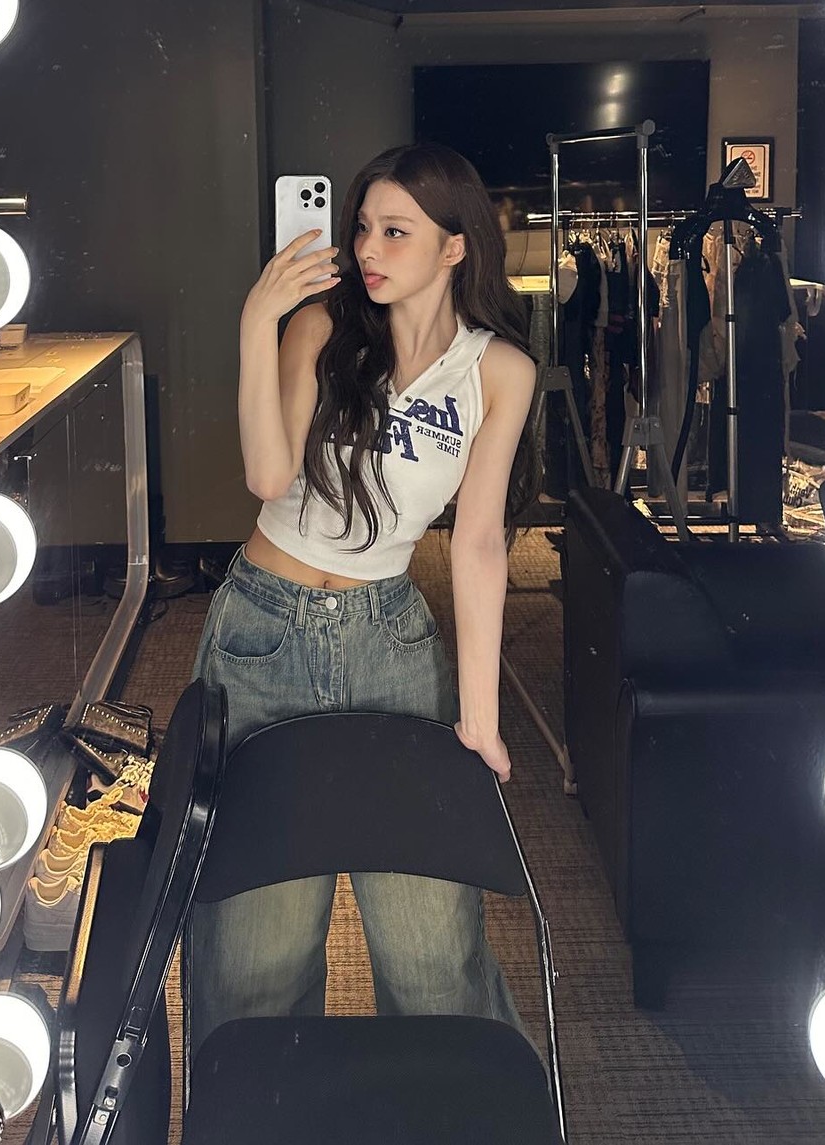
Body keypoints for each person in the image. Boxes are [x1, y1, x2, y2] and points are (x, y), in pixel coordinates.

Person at [184, 142, 540, 1054]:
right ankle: (259, 1109)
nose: (368, 249)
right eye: (363, 227)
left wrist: (480, 717)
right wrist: (258, 320)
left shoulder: (497, 371)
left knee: (433, 949)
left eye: (396, 231)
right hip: (262, 633)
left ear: (455, 246)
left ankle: (460, 1108)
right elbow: (268, 476)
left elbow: (478, 543)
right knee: (256, 954)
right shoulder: (320, 330)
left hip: (391, 643)